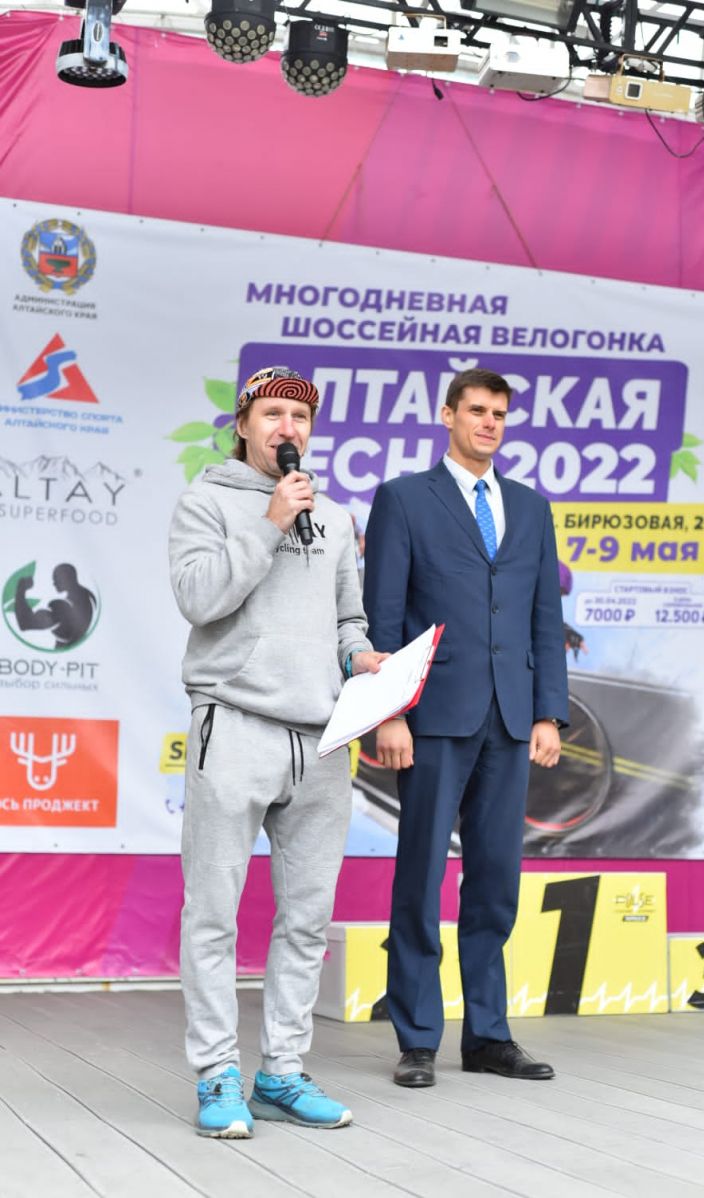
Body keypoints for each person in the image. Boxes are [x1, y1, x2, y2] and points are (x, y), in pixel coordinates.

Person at [169, 365, 386, 1138]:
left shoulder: (335, 517)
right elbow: (199, 599)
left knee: (306, 919)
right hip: (234, 724)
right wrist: (267, 522)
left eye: (300, 416)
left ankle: (282, 1073)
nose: (287, 427)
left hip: (320, 741)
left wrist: (363, 659)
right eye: (272, 413)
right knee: (213, 915)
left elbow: (348, 621)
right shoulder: (204, 502)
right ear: (243, 424)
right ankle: (217, 1075)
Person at [363, 366, 569, 1088]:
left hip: (510, 719)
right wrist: (389, 711)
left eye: (499, 414)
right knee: (420, 876)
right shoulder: (403, 499)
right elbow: (384, 614)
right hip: (432, 716)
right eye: (476, 410)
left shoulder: (531, 508)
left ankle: (488, 1036)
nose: (488, 423)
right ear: (447, 414)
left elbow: (544, 616)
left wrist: (547, 712)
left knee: (495, 882)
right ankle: (417, 1037)